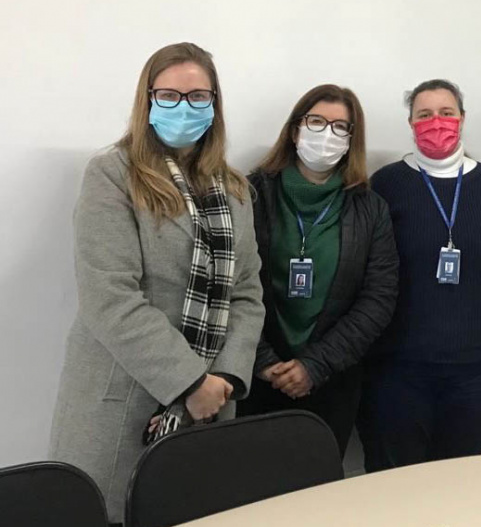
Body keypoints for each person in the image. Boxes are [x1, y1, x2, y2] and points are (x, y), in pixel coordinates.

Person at [48, 42, 264, 523]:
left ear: (215, 104)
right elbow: (109, 296)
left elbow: (247, 294)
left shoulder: (235, 189)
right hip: (124, 400)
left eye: (198, 96)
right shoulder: (112, 174)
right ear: (147, 100)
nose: (184, 107)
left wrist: (223, 378)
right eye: (169, 95)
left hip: (211, 402)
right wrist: (189, 380)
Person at [357, 79, 481, 472]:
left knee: (458, 482)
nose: (436, 122)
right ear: (410, 122)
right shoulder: (387, 184)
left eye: (446, 113)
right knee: (394, 480)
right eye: (424, 115)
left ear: (462, 118)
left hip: (476, 369)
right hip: (397, 368)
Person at [238, 85, 398, 457]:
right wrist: (264, 362)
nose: (327, 134)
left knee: (318, 493)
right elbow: (229, 285)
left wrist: (315, 365)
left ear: (351, 141)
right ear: (295, 131)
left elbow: (379, 298)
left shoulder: (370, 208)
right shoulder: (250, 194)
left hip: (331, 379)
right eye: (316, 121)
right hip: (254, 376)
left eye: (341, 127)